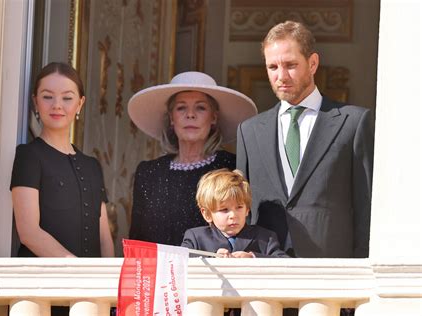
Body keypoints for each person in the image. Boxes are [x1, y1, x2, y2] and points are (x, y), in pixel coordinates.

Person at [236, 21, 374, 258]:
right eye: (272, 67)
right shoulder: (248, 132)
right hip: (264, 270)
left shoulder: (354, 122)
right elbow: (242, 208)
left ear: (312, 63)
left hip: (333, 271)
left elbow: (366, 205)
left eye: (290, 65)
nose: (281, 76)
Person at [127, 71, 257, 246]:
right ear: (171, 118)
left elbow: (248, 229)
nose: (190, 115)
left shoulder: (232, 167)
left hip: (214, 271)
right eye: (181, 108)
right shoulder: (149, 172)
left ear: (213, 117)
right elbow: (137, 239)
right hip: (161, 272)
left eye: (200, 107)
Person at [10, 62, 114, 258]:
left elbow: (104, 239)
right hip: (44, 284)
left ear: (80, 104)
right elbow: (29, 233)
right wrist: (77, 271)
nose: (57, 105)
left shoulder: (92, 166)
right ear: (35, 102)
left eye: (67, 98)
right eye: (47, 97)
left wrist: (107, 282)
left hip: (91, 285)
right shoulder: (28, 156)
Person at [181, 168, 288, 258]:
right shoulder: (196, 238)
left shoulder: (265, 238)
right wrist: (212, 259)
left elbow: (287, 264)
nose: (233, 215)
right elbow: (179, 262)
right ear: (207, 214)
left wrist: (253, 258)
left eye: (239, 207)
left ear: (247, 209)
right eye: (224, 210)